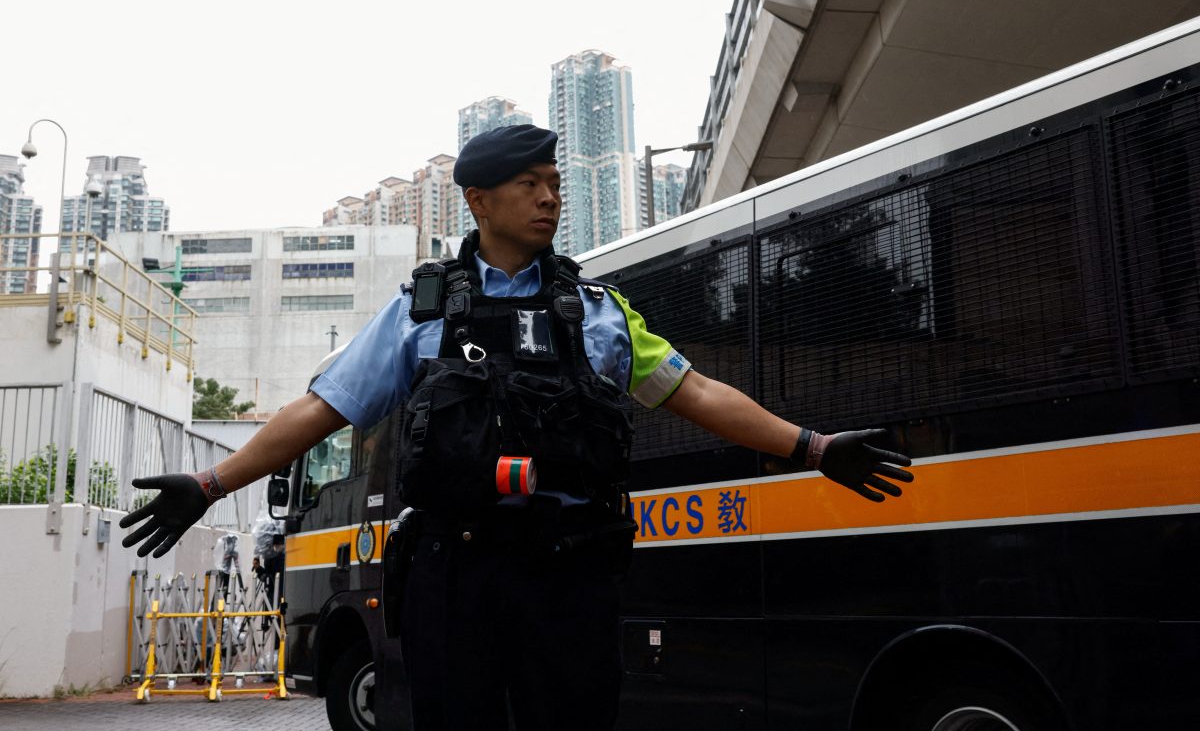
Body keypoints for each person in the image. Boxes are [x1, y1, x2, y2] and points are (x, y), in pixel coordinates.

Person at [120, 124, 914, 731]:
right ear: (479, 201)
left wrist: (811, 447)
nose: (549, 199)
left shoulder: (595, 312)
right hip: (453, 576)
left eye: (555, 185)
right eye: (529, 185)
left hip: (571, 576)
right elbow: (320, 408)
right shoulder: (421, 312)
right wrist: (210, 481)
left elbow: (694, 390)